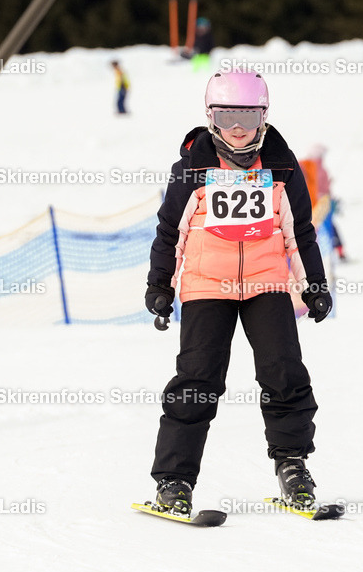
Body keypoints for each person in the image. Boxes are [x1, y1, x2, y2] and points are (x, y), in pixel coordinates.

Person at [145, 70, 332, 516]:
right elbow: (170, 232)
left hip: (267, 282)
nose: (238, 128)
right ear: (211, 116)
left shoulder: (281, 166)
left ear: (263, 116)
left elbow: (299, 232)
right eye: (227, 115)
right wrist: (159, 286)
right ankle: (173, 480)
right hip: (207, 284)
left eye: (248, 116)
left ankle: (292, 465)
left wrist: (315, 286)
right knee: (198, 380)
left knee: (283, 370)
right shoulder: (193, 168)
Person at [300, 144, 347, 262]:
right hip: (314, 206)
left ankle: (335, 253)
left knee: (326, 230)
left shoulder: (316, 169)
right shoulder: (306, 166)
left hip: (321, 205)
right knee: (322, 230)